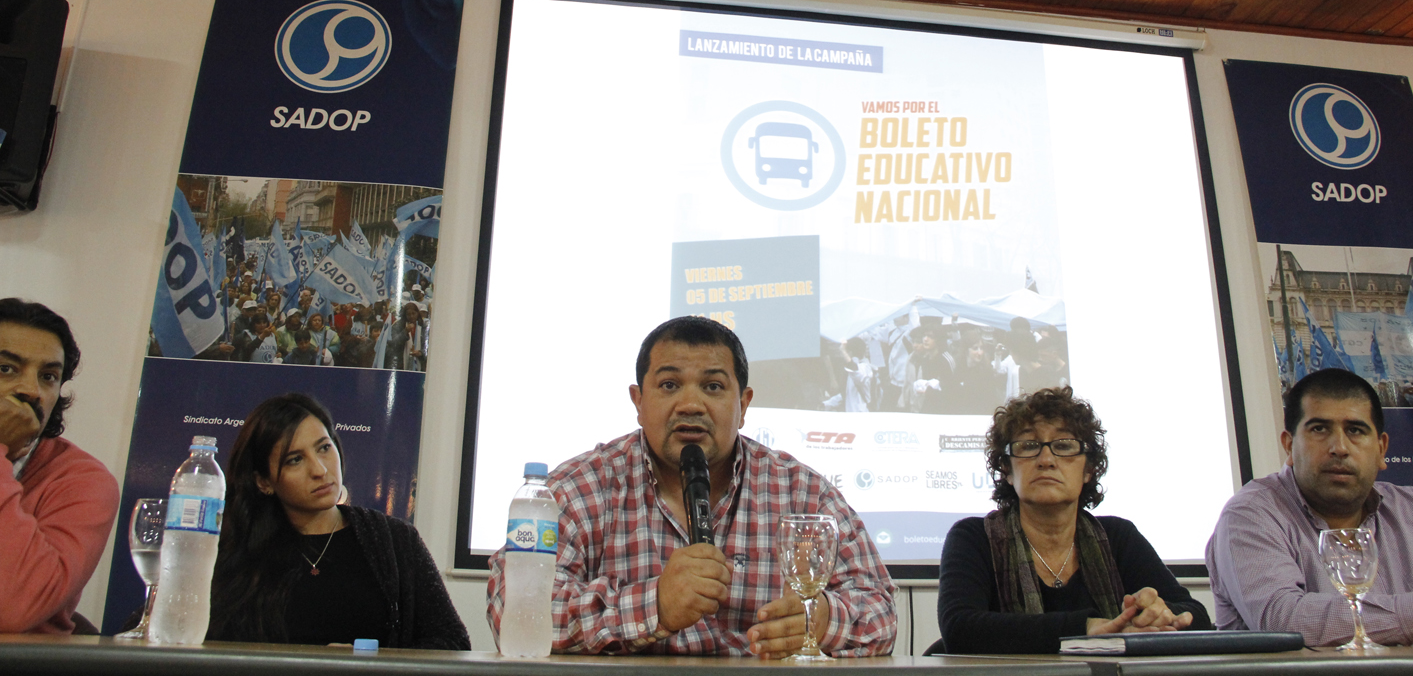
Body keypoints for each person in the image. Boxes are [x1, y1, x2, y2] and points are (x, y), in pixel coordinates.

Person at [485, 316, 896, 657]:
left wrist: (824, 618)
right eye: (669, 385)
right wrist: (653, 606)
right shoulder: (580, 489)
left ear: (744, 404)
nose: (691, 404)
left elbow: (881, 612)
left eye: (713, 386)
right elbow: (512, 611)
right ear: (638, 400)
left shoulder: (801, 492)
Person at [936, 386, 1208, 653]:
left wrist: (1158, 614)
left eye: (1064, 446)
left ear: (1089, 469)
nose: (1046, 460)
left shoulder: (1118, 536)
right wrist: (1086, 628)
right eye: (1028, 445)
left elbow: (1196, 615)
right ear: (1007, 469)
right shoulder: (973, 537)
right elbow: (960, 629)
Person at [208, 392, 469, 648]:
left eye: (324, 448)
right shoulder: (234, 551)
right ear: (263, 482)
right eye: (295, 460)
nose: (320, 470)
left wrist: (373, 662)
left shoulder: (395, 540)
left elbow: (452, 642)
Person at [1206, 368, 1413, 645]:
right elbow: (1284, 621)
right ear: (1289, 446)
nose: (1339, 447)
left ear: (1381, 449)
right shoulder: (1250, 515)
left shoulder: (1411, 509)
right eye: (1319, 429)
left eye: (1355, 430)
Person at [0, 298, 120, 633]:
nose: (30, 390)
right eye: (5, 368)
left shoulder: (84, 481)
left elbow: (13, 607)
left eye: (48, 376)